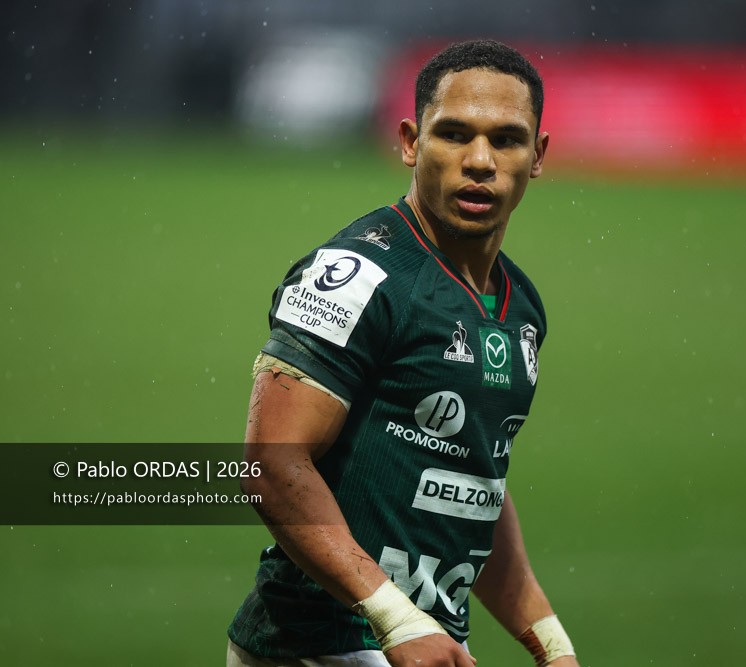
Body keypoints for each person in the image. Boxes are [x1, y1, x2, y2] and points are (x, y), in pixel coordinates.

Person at [227, 39, 579, 667]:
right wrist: (395, 619)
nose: (480, 160)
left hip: (425, 643)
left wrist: (551, 644)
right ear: (411, 143)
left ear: (539, 156)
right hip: (320, 643)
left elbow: (474, 485)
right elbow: (271, 464)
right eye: (454, 134)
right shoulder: (357, 275)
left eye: (506, 139)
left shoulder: (520, 305)